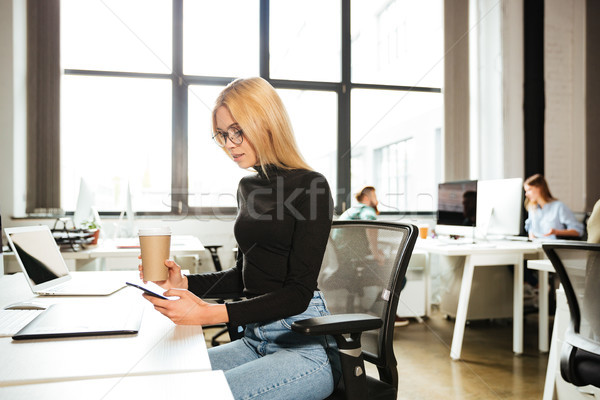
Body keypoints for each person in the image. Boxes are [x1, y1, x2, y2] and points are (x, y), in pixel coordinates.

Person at [138, 77, 338, 400]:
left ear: (266, 123)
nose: (229, 144)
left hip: (300, 344)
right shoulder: (248, 188)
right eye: (222, 134)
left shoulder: (312, 186)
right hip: (254, 340)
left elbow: (299, 293)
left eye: (237, 131)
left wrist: (209, 314)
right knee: (167, 379)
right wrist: (185, 283)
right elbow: (242, 277)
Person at [337, 186, 409, 326]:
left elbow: (353, 241)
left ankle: (378, 309)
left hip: (345, 263)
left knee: (391, 273)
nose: (377, 201)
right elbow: (370, 224)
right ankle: (383, 312)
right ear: (365, 198)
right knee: (398, 277)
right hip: (354, 265)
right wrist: (375, 253)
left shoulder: (351, 211)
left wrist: (373, 251)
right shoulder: (366, 210)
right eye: (374, 197)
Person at [523, 174, 584, 240]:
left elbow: (578, 231)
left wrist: (556, 232)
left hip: (553, 246)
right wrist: (531, 235)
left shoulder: (559, 207)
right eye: (526, 191)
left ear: (540, 188)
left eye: (529, 190)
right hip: (536, 245)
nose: (526, 194)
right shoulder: (532, 208)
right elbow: (530, 227)